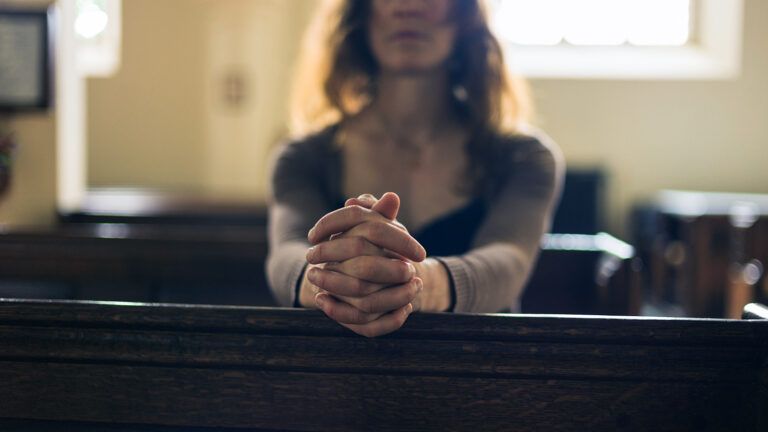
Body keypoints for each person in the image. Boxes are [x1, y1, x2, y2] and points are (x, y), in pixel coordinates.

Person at [267, 0, 564, 337]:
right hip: (335, 375)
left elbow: (509, 260)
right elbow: (285, 256)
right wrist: (332, 284)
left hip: (480, 372)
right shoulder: (302, 157)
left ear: (464, 15)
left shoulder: (523, 157)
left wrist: (416, 285)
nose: (407, 7)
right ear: (361, 13)